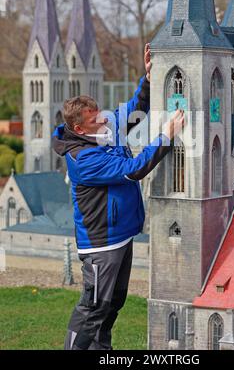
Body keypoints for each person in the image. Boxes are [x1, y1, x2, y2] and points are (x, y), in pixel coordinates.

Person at [52, 44, 185, 350]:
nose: (103, 121)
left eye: (100, 115)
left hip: (121, 237)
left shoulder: (102, 129)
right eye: (95, 119)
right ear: (78, 127)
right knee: (94, 307)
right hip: (102, 244)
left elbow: (134, 110)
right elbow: (134, 168)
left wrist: (149, 79)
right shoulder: (83, 158)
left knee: (113, 305)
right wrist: (166, 136)